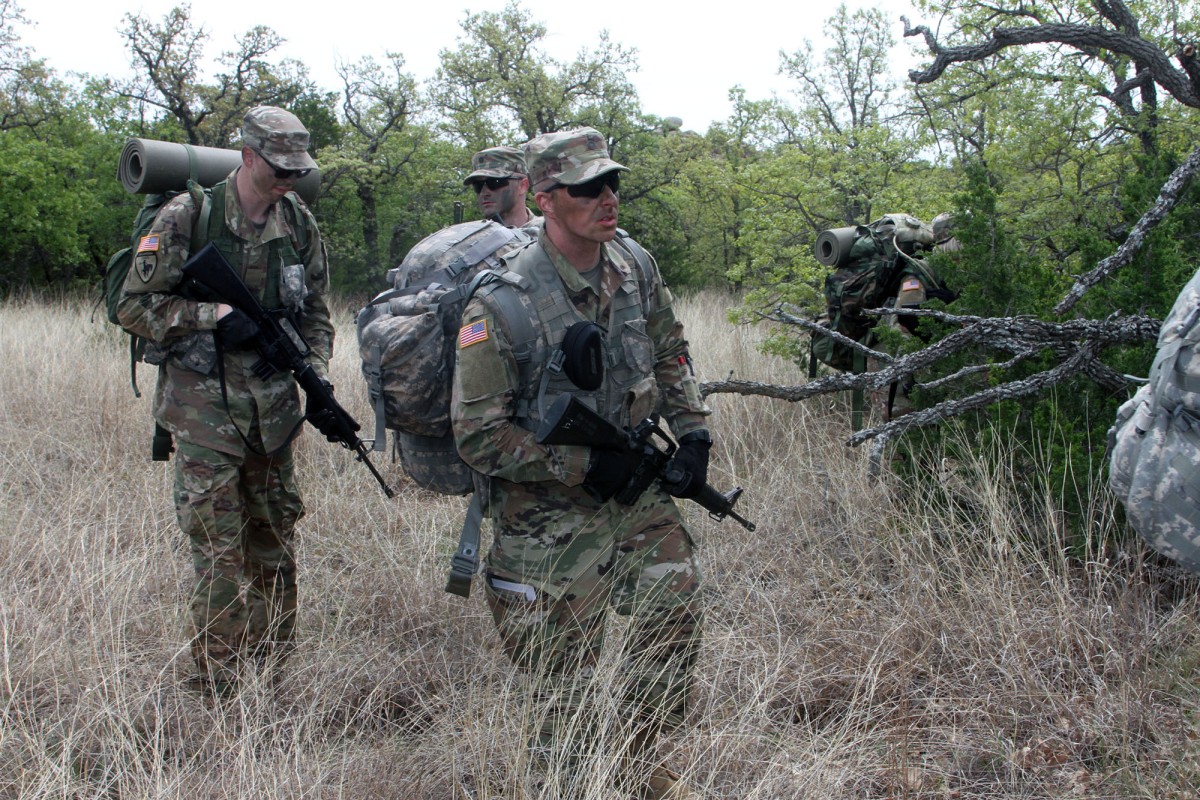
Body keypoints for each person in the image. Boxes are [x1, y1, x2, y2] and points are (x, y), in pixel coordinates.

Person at [451, 127, 710, 799]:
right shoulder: (502, 302)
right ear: (543, 197)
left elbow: (669, 349)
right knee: (559, 684)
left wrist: (694, 434)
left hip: (634, 494)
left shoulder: (636, 266)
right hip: (543, 519)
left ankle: (634, 763)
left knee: (673, 624)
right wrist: (579, 467)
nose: (608, 198)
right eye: (588, 188)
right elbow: (477, 435)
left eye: (612, 183)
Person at [117, 106, 335, 697]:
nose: (289, 177)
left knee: (275, 540)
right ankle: (217, 680)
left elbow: (316, 306)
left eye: (298, 167)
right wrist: (211, 316)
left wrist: (311, 369)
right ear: (247, 156)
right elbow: (133, 306)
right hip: (203, 413)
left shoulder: (298, 221)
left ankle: (271, 671)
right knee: (218, 550)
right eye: (278, 166)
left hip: (273, 415)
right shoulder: (189, 215)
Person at [463, 145, 538, 229]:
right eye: (478, 185)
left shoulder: (548, 235)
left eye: (495, 182)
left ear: (522, 186)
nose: (484, 192)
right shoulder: (472, 239)